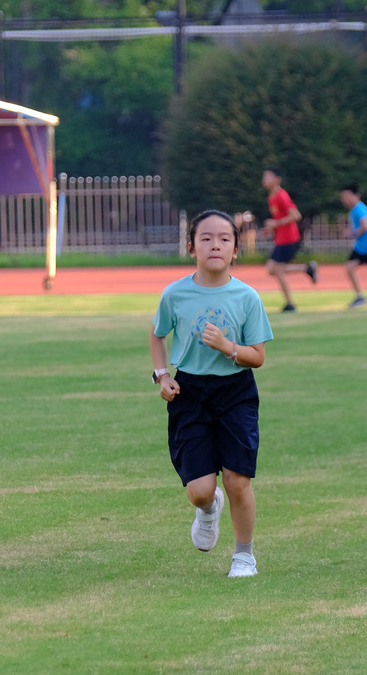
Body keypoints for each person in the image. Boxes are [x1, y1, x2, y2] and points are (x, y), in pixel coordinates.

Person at [149, 210, 275, 577]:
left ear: (236, 249)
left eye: (224, 238)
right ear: (191, 247)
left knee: (238, 480)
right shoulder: (175, 293)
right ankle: (208, 508)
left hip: (235, 391)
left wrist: (227, 346)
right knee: (200, 490)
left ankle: (244, 556)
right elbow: (157, 333)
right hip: (190, 393)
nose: (215, 244)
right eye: (206, 238)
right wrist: (162, 375)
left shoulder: (247, 297)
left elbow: (258, 357)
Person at [262, 167, 318, 312]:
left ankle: (290, 304)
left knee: (277, 270)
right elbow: (279, 219)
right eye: (264, 177)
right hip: (281, 238)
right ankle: (306, 268)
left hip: (288, 238)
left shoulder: (282, 195)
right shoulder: (271, 197)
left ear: (277, 179)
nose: (265, 180)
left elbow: (296, 215)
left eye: (268, 177)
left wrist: (276, 223)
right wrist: (270, 228)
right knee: (272, 269)